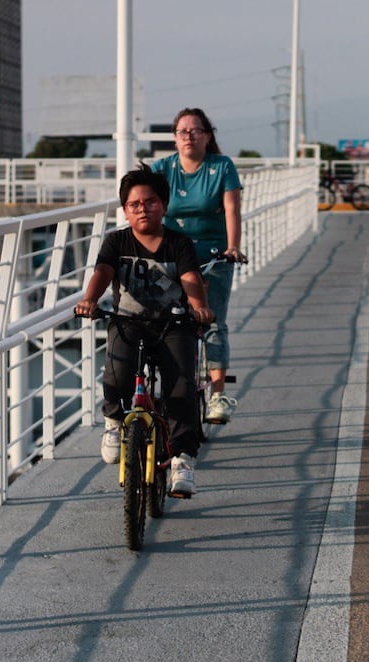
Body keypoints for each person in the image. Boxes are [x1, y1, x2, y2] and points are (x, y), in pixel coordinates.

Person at [75, 164, 213, 497]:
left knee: (181, 387)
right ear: (125, 209)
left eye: (150, 202)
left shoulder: (178, 243)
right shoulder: (116, 241)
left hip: (173, 323)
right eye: (134, 204)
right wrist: (89, 299)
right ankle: (113, 421)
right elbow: (103, 272)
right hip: (128, 323)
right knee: (117, 374)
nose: (143, 209)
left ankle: (182, 459)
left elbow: (191, 279)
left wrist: (199, 308)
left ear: (163, 205)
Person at [151, 107, 247, 425]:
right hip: (173, 255)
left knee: (213, 321)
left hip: (213, 254)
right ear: (175, 139)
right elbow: (145, 206)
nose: (189, 136)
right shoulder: (163, 169)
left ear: (207, 135)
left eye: (195, 131)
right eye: (182, 132)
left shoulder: (221, 167)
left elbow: (232, 208)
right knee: (165, 319)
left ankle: (218, 395)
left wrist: (233, 247)